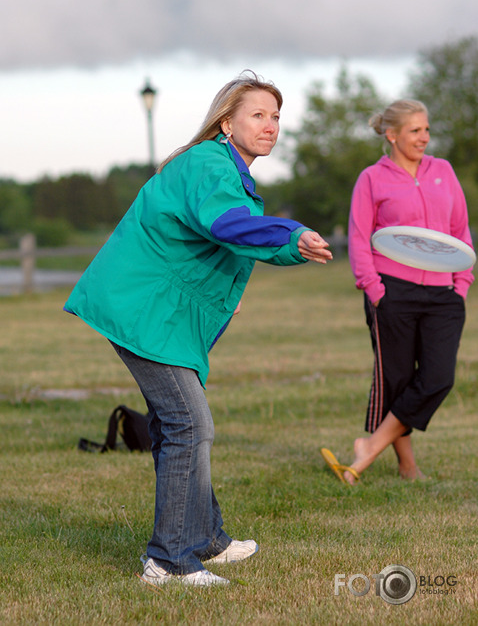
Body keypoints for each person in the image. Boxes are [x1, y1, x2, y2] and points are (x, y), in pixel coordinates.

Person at [64, 71, 333, 586]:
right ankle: (167, 560)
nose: (271, 125)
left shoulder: (225, 170)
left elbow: (238, 236)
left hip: (162, 317)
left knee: (176, 424)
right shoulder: (209, 164)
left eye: (276, 116)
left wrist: (291, 244)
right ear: (227, 123)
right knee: (191, 424)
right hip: (143, 311)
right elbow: (227, 223)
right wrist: (292, 231)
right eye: (258, 114)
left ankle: (207, 538)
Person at [321, 99, 474, 486]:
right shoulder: (372, 178)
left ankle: (368, 447)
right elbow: (359, 238)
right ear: (392, 135)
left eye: (426, 129)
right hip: (392, 291)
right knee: (399, 378)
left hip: (444, 293)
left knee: (438, 378)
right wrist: (375, 291)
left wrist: (461, 285)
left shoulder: (443, 171)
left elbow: (460, 231)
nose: (424, 138)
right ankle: (407, 466)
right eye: (415, 131)